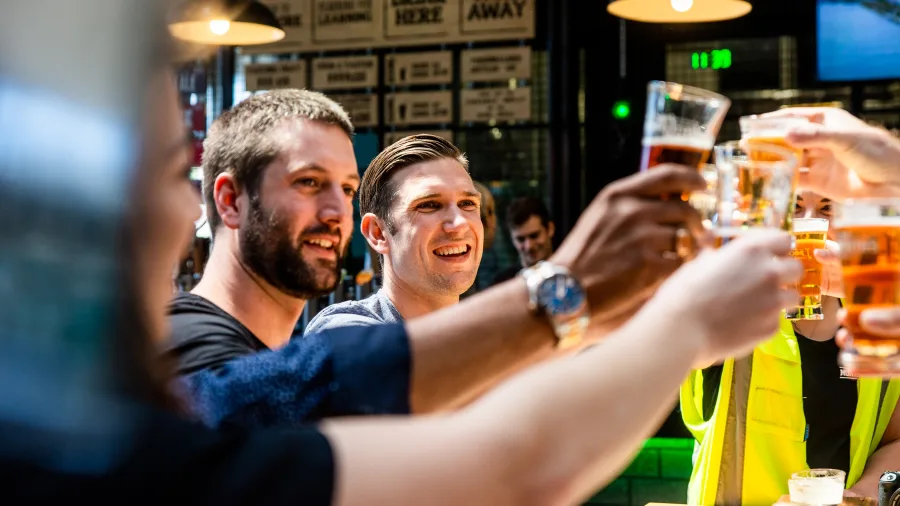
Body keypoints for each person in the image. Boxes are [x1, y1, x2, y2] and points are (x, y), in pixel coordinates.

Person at [7, 47, 805, 504]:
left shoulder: (238, 371)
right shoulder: (176, 376)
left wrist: (585, 309)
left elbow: (323, 382)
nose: (334, 208)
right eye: (161, 172)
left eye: (344, 185)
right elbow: (511, 462)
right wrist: (654, 313)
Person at [165, 87, 715, 426]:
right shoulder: (219, 345)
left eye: (346, 188)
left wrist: (681, 330)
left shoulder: (261, 354)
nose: (334, 210)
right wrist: (565, 293)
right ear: (377, 234)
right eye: (309, 182)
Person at [681, 189, 900, 504]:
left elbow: (895, 440)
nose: (809, 223)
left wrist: (858, 495)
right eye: (793, 208)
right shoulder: (734, 309)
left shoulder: (876, 323)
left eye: (828, 208)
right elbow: (686, 343)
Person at [304, 134, 483, 333]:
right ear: (378, 233)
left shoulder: (485, 333)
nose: (459, 223)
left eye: (467, 203)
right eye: (429, 205)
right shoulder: (341, 329)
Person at [492, 196, 556, 285]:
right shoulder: (500, 284)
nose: (529, 246)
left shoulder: (569, 274)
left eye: (534, 236)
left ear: (550, 229)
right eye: (520, 239)